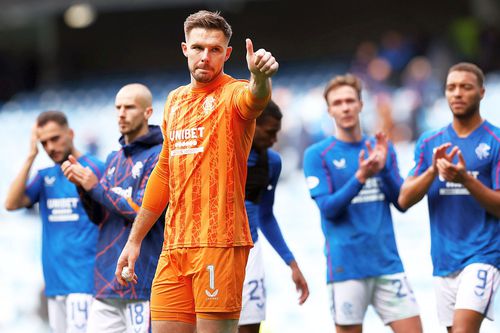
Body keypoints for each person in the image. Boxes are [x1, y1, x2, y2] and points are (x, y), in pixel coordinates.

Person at [114, 10, 278, 333]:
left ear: (227, 54)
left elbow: (256, 99)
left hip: (220, 243)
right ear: (185, 48)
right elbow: (164, 171)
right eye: (199, 47)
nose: (206, 56)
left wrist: (260, 77)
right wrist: (135, 240)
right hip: (173, 247)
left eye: (215, 49)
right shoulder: (174, 101)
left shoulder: (234, 94)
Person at [303, 74, 422, 333]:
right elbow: (328, 209)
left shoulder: (380, 147)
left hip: (387, 263)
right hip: (346, 268)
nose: (345, 107)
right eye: (338, 103)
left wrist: (383, 170)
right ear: (329, 110)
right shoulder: (317, 155)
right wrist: (361, 177)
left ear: (360, 104)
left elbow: (401, 202)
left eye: (349, 101)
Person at [398, 62, 500, 333]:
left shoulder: (495, 141)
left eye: (465, 87)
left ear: (481, 92)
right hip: (444, 260)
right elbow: (404, 200)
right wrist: (432, 170)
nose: (457, 93)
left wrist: (465, 179)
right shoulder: (430, 142)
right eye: (451, 87)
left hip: (483, 255)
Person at [61, 83, 164, 333]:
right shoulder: (114, 158)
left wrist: (95, 186)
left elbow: (143, 209)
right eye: (118, 107)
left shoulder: (159, 156)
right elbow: (101, 216)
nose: (121, 113)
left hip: (142, 280)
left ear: (148, 112)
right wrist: (83, 187)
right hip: (107, 282)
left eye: (129, 107)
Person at [4, 110, 104, 333]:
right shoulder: (45, 175)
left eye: (55, 138)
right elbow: (11, 204)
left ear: (70, 133)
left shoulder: (94, 167)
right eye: (44, 142)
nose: (50, 147)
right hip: (55, 284)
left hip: (85, 282)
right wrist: (31, 155)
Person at [239, 101, 309, 333]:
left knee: (249, 327)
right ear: (251, 124)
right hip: (214, 252)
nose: (273, 140)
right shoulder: (222, 155)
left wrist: (292, 263)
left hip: (251, 251)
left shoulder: (272, 162)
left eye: (276, 133)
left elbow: (266, 216)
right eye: (269, 132)